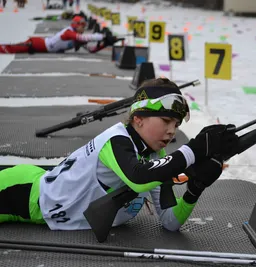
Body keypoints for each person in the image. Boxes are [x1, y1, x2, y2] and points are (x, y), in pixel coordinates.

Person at [0, 78, 239, 232]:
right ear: (138, 118)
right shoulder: (116, 141)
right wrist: (193, 151)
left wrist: (194, 190)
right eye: (166, 120)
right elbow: (137, 177)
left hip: (47, 193)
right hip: (23, 192)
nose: (171, 131)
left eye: (176, 124)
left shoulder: (157, 155)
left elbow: (169, 220)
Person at [0, 15, 118, 54]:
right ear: (77, 25)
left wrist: (105, 43)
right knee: (9, 49)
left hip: (42, 45)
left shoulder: (75, 35)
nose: (84, 28)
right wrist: (102, 36)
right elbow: (83, 37)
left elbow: (91, 49)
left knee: (11, 48)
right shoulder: (69, 32)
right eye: (83, 25)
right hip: (37, 44)